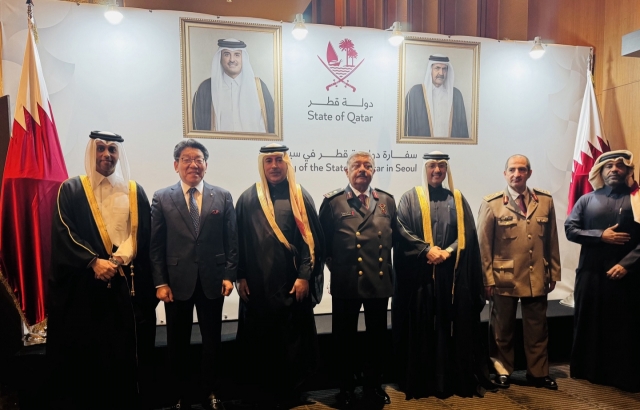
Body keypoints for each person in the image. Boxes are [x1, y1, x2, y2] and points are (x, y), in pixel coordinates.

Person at [47, 131, 154, 410]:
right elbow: (62, 231)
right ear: (91, 152)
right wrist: (93, 261)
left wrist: (118, 260)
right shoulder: (70, 189)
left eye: (112, 150)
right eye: (101, 149)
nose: (106, 154)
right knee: (85, 351)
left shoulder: (133, 190)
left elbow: (141, 232)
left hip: (121, 286)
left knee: (119, 351)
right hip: (82, 288)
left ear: (119, 154)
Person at [393, 151, 493, 399]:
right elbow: (401, 231)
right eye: (432, 166)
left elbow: (466, 233)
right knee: (422, 327)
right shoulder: (409, 198)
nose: (437, 170)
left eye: (441, 166)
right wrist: (427, 250)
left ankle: (447, 380)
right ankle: (422, 381)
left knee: (448, 328)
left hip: (451, 277)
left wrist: (446, 252)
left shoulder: (457, 199)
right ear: (424, 169)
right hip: (420, 277)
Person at [150, 139, 239, 410]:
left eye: (198, 159)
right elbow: (155, 245)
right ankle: (179, 394)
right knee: (177, 342)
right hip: (176, 283)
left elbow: (231, 241)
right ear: (176, 165)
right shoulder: (162, 197)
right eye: (186, 159)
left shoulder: (222, 196)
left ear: (206, 165)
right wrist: (160, 281)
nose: (193, 164)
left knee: (212, 340)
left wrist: (229, 275)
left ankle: (211, 391)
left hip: (213, 281)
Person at [235, 143, 325, 408]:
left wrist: (305, 276)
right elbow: (238, 241)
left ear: (287, 163)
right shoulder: (248, 198)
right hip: (258, 287)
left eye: (278, 160)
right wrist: (240, 276)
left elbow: (312, 243)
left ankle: (290, 393)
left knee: (292, 343)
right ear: (262, 165)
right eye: (269, 161)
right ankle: (261, 393)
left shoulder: (300, 196)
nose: (274, 166)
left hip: (290, 286)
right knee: (260, 342)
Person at [319, 151, 396, 407]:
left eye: (367, 165)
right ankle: (346, 389)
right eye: (356, 165)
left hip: (379, 282)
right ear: (346, 171)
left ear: (374, 170)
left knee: (377, 340)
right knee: (344, 341)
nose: (362, 169)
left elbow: (396, 237)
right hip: (347, 282)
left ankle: (373, 386)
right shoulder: (333, 202)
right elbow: (323, 244)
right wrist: (337, 268)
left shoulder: (386, 200)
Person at [477, 154, 560, 390]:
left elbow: (552, 239)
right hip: (504, 278)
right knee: (502, 329)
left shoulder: (544, 201)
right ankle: (501, 370)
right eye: (512, 170)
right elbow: (484, 246)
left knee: (538, 328)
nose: (517, 174)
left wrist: (553, 272)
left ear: (529, 173)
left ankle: (538, 373)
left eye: (522, 170)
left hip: (537, 277)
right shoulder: (492, 203)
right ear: (505, 174)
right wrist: (486, 279)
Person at [565, 150, 640, 392]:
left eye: (619, 166)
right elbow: (571, 229)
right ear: (600, 172)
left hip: (627, 275)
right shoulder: (586, 200)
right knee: (589, 319)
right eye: (609, 166)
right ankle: (588, 371)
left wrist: (626, 264)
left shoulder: (637, 200)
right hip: (590, 273)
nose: (614, 169)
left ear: (628, 171)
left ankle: (620, 375)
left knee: (622, 325)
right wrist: (600, 235)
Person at [192, 38, 275, 133]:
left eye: (237, 55)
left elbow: (271, 125)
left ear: (243, 58)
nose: (232, 60)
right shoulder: (206, 88)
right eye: (227, 54)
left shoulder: (259, 87)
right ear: (220, 57)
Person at [404, 54, 469, 138]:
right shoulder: (415, 93)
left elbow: (462, 129)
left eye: (444, 69)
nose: (441, 73)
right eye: (437, 68)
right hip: (422, 148)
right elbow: (408, 126)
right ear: (430, 70)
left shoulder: (456, 95)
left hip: (450, 148)